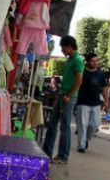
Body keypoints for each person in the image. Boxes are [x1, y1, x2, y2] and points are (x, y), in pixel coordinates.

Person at [42, 35, 84, 164]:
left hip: (68, 97)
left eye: (63, 48)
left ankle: (63, 156)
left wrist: (69, 95)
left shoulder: (77, 60)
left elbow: (79, 81)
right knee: (52, 124)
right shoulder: (71, 59)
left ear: (70, 47)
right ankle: (46, 152)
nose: (62, 50)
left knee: (64, 127)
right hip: (62, 95)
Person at [75, 53, 106, 153]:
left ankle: (86, 140)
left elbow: (105, 88)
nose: (95, 63)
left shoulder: (101, 74)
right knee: (82, 125)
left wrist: (107, 100)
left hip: (96, 103)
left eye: (97, 61)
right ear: (87, 61)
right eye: (93, 61)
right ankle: (81, 145)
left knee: (94, 125)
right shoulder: (82, 72)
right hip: (82, 102)